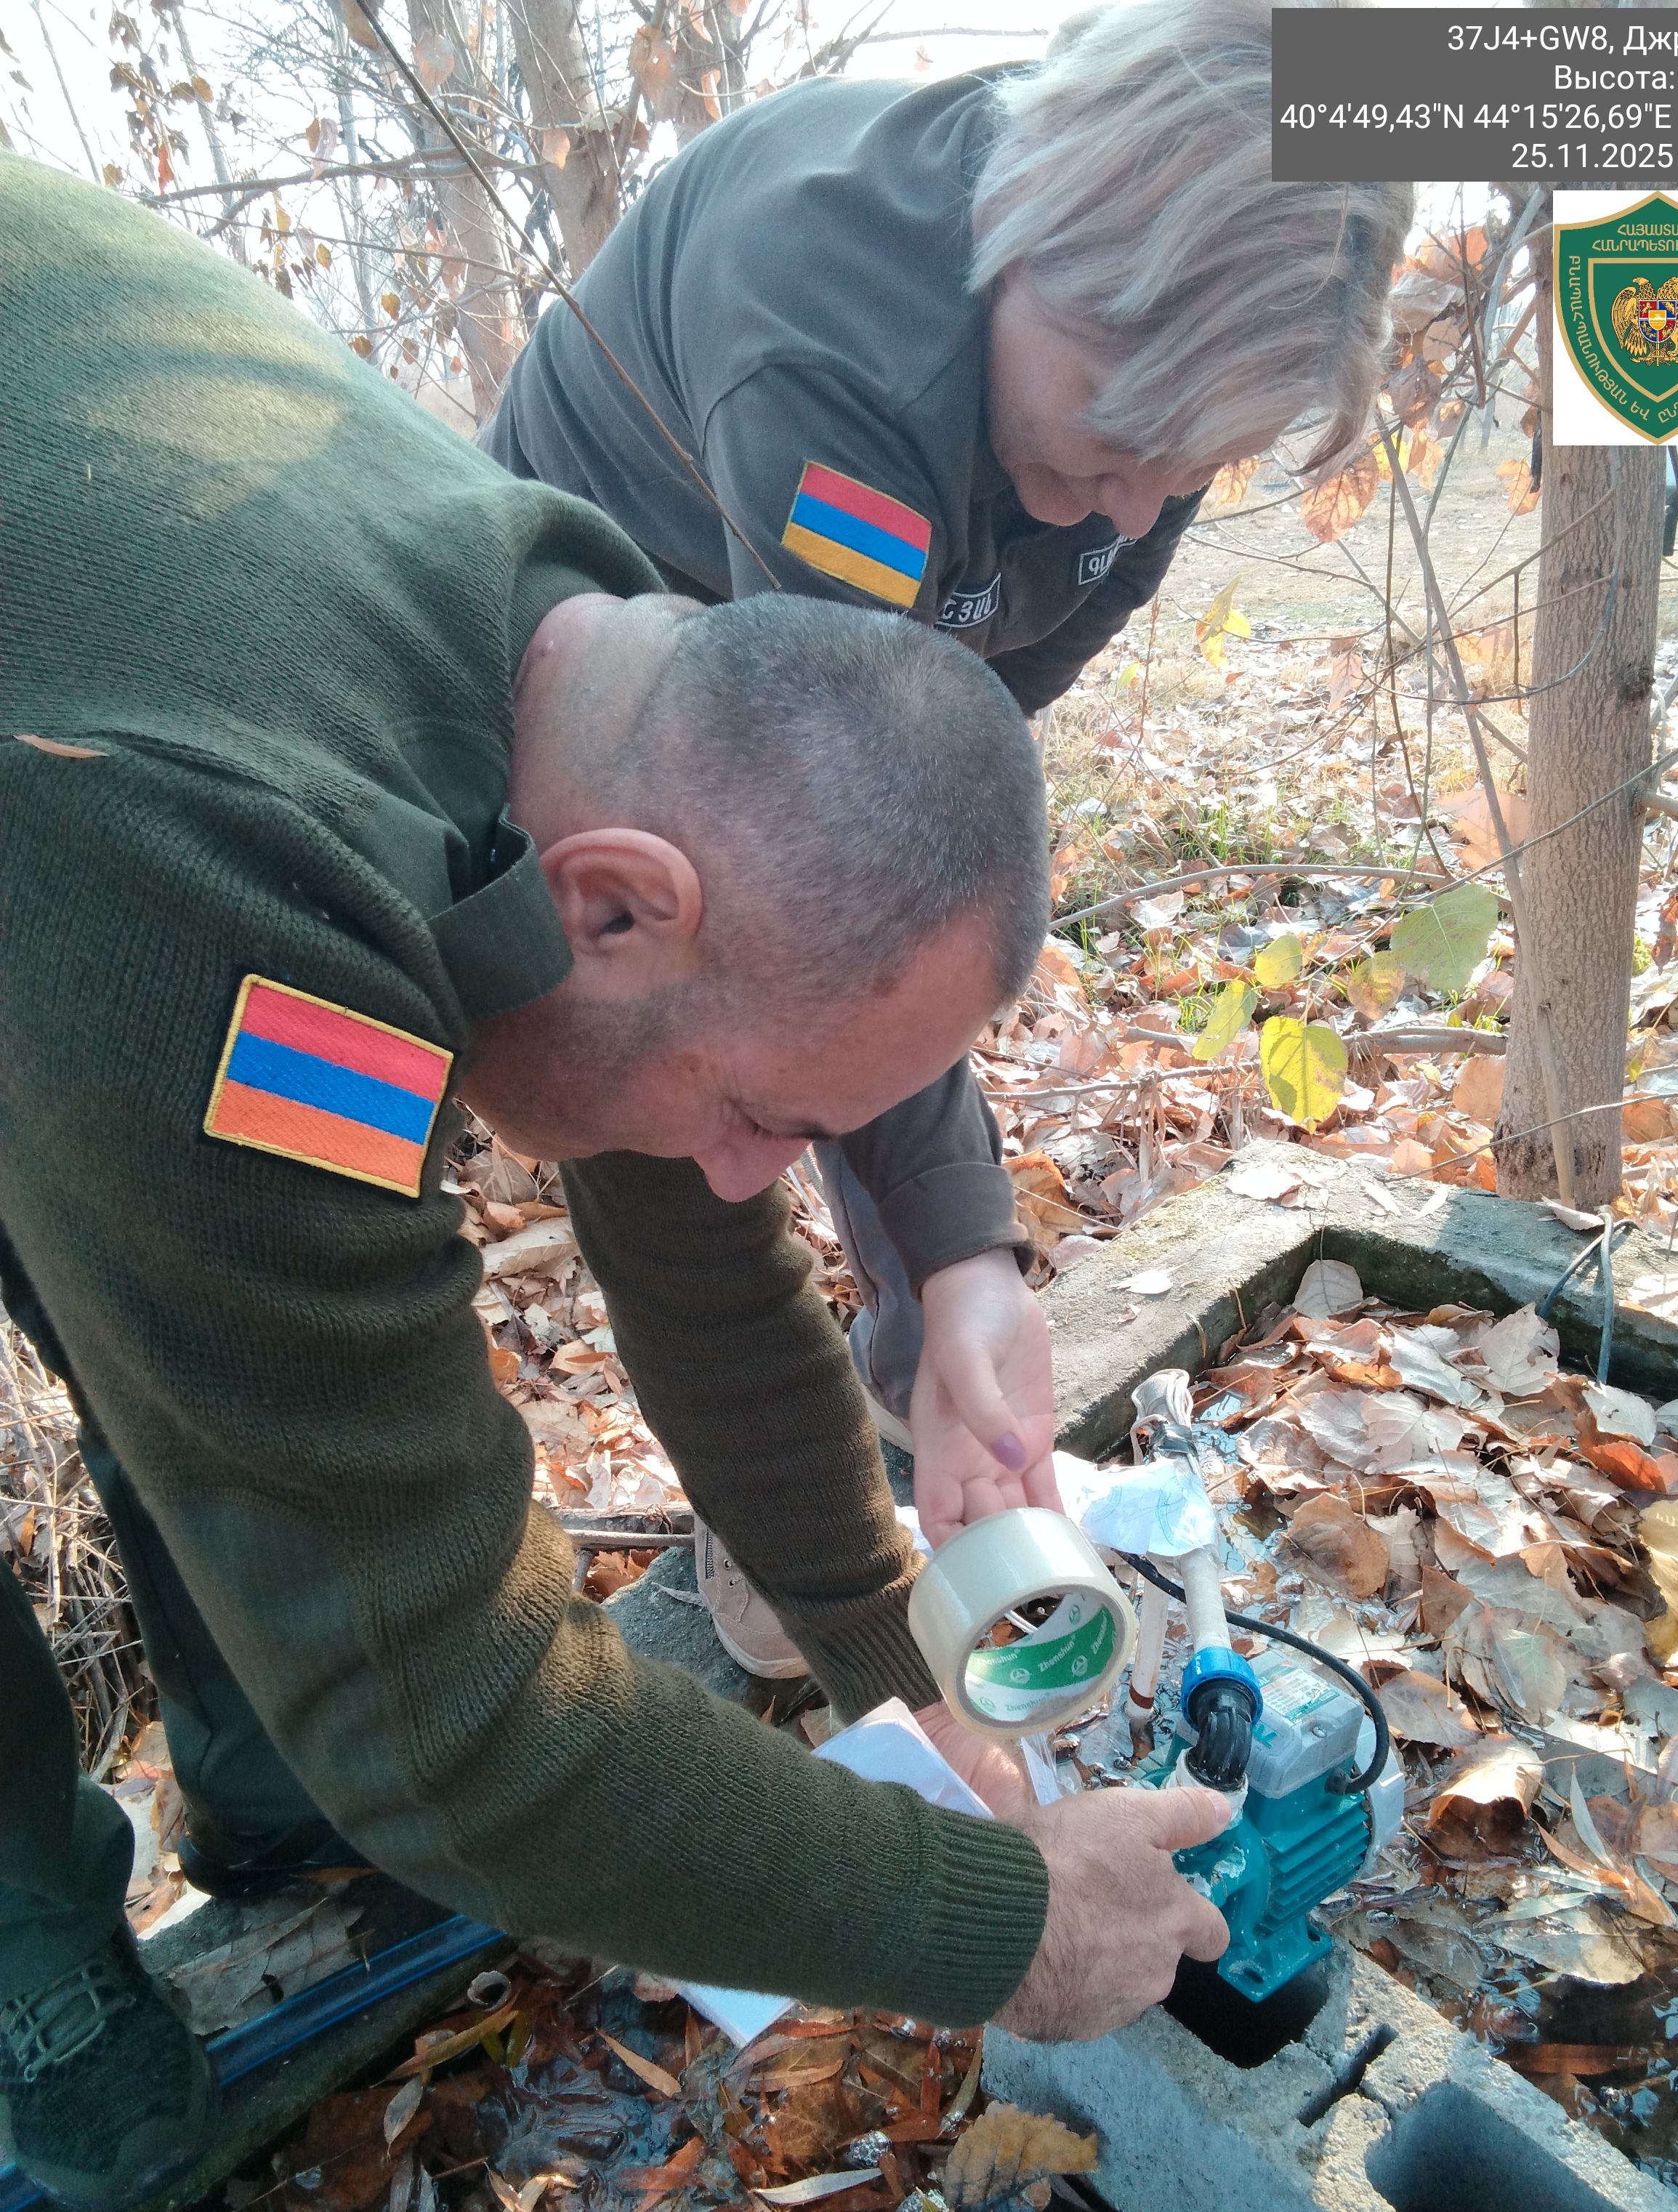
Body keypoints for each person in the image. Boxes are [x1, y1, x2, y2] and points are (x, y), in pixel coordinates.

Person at [0, 155, 1232, 2212]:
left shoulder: (567, 666)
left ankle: (262, 1773)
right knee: (190, 1284)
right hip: (78, 801)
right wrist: (1000, 1924)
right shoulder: (243, 904)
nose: (756, 1174)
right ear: (618, 902)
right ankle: (26, 1940)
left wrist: (892, 1659)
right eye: (765, 1110)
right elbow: (459, 1719)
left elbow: (696, 1247)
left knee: (179, 1312)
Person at [481, 0, 1413, 1668]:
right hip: (615, 616)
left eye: (1190, 464)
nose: (1135, 510)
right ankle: (805, 1537)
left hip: (841, 664)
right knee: (689, 1101)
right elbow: (836, 854)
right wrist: (954, 1237)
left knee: (864, 1069)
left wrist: (961, 1271)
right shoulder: (830, 353)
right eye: (1120, 437)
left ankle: (925, 1416)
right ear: (1032, 243)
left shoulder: (1137, 397)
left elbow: (937, 814)